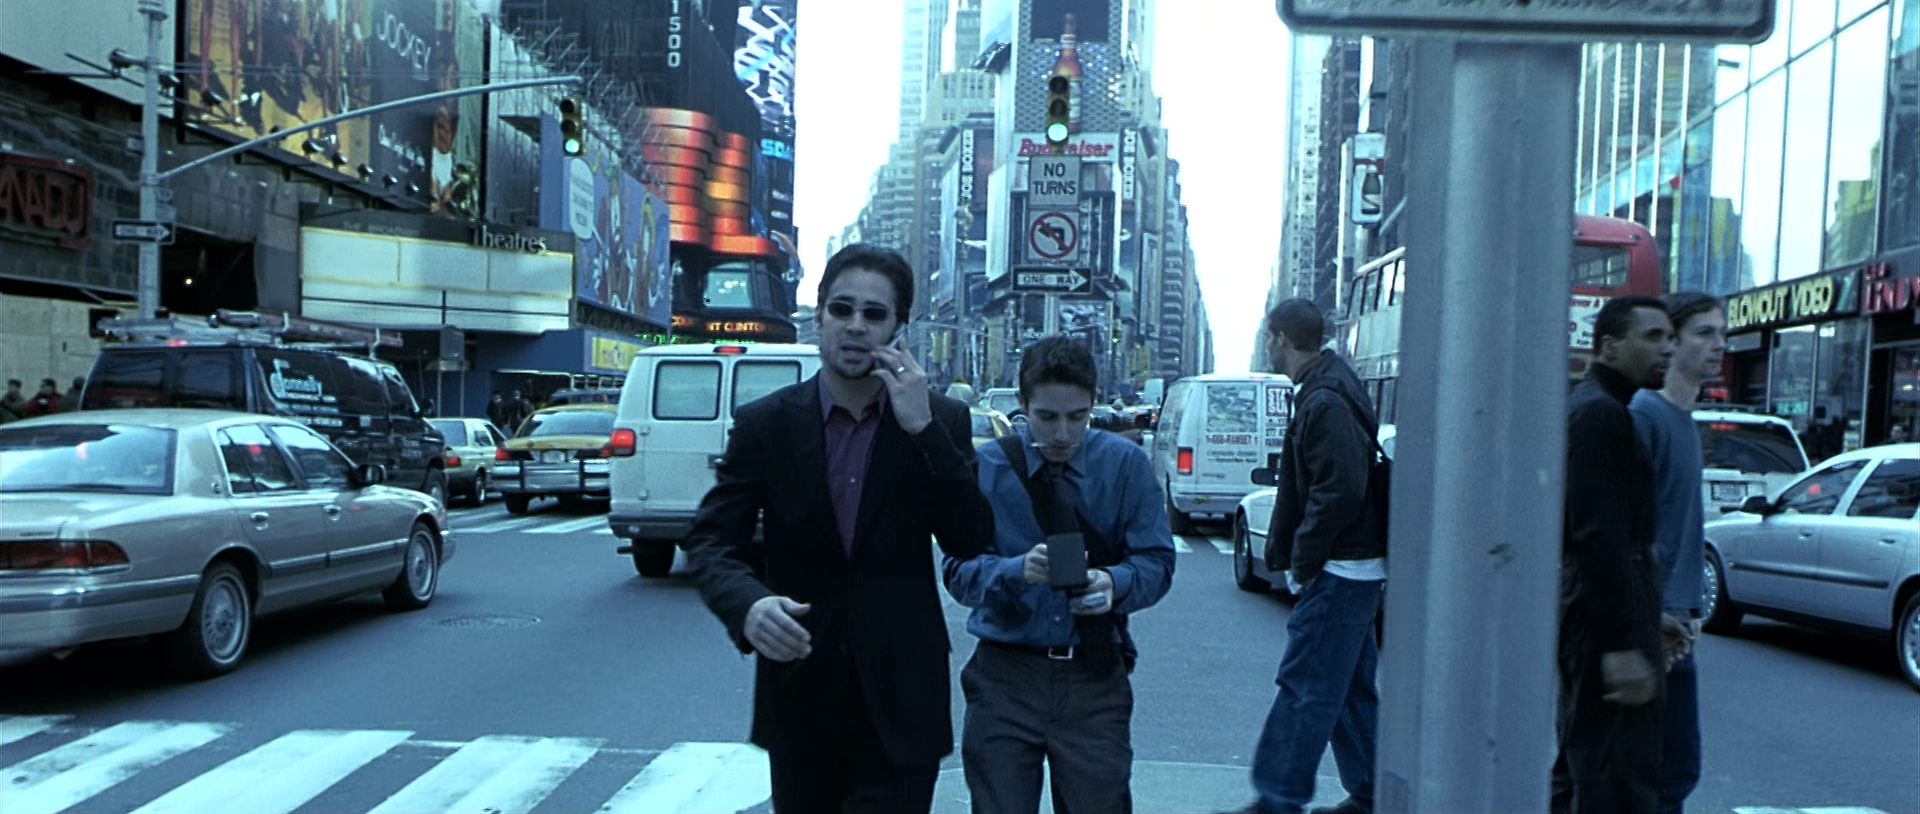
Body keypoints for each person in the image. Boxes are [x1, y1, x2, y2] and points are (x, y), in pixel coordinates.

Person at [685, 243, 993, 813]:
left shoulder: (940, 420)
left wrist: (923, 430)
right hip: (801, 693)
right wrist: (748, 605)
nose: (856, 326)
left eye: (874, 314)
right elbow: (710, 540)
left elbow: (970, 538)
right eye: (842, 309)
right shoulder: (767, 424)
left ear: (899, 328)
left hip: (902, 701)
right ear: (820, 315)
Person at [944, 336, 1176, 814]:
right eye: (1047, 417)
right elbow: (956, 571)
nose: (1063, 434)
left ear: (1093, 404)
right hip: (1005, 675)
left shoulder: (1124, 465)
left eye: (1078, 417)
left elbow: (1157, 560)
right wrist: (1016, 570)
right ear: (1022, 404)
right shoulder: (989, 468)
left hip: (1093, 673)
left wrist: (1114, 583)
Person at [1237, 298, 1387, 814]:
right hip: (1355, 565)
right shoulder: (1331, 385)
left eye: (1268, 336)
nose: (1267, 345)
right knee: (1348, 687)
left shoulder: (1323, 399)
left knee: (1304, 686)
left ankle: (1277, 800)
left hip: (1340, 567)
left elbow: (1340, 488)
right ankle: (1373, 793)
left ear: (1280, 337)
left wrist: (1304, 559)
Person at [1552, 294, 1677, 814]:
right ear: (1609, 346)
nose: (1667, 349)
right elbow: (1598, 536)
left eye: (1670, 338)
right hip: (1598, 619)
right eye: (1653, 337)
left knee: (1583, 768)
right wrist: (1620, 644)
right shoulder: (1600, 416)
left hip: (1600, 612)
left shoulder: (1601, 409)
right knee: (1615, 776)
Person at [1627, 292, 1724, 814]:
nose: (1719, 345)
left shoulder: (1685, 420)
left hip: (1674, 621)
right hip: (1650, 619)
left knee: (1670, 771)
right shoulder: (1646, 415)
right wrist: (1654, 610)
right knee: (1664, 772)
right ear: (1672, 341)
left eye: (1722, 334)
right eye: (1704, 333)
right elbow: (1622, 527)